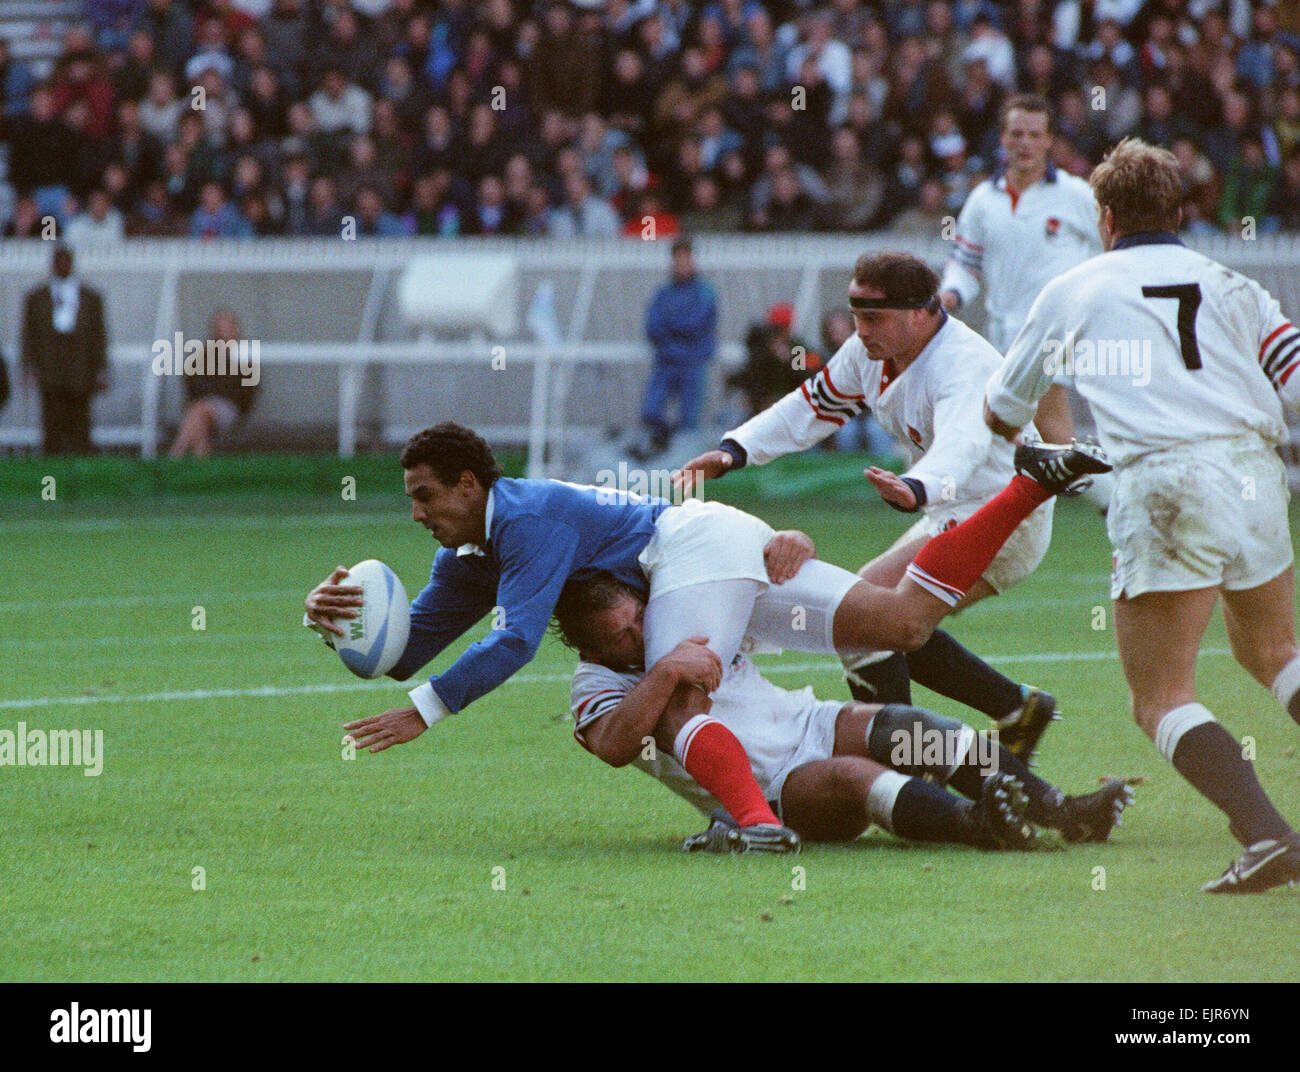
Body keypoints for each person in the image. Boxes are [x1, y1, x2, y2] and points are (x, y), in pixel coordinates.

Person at [305, 423, 1108, 851]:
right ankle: (1028, 484)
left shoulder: (525, 516)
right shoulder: (470, 551)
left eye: (422, 496)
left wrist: (427, 711)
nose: (415, 514)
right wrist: (338, 622)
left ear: (470, 484)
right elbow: (405, 647)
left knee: (679, 689)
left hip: (692, 554)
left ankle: (753, 827)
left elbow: (514, 645)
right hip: (721, 552)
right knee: (901, 622)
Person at [984, 137, 1300, 894]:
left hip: (1165, 480)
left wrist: (1053, 445)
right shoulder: (1230, 282)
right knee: (1277, 654)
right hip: (1257, 472)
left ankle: (1267, 837)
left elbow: (1001, 409)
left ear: (1105, 216)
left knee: (1159, 696)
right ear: (1181, 213)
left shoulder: (1076, 288)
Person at [676, 252, 1069, 761]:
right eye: (857, 317)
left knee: (867, 624)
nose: (859, 332)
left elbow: (964, 445)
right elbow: (814, 404)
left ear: (921, 312)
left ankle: (892, 764)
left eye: (873, 318)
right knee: (875, 620)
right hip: (950, 510)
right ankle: (1012, 711)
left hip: (1002, 519)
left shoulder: (965, 364)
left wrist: (918, 487)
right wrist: (736, 450)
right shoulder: (872, 351)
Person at [554, 565, 1134, 851]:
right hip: (773, 788)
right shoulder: (593, 684)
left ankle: (1063, 811)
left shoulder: (680, 612)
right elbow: (613, 745)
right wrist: (665, 669)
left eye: (639, 620)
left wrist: (786, 544)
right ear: (588, 647)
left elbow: (755, 569)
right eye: (620, 637)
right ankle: (974, 825)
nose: (638, 636)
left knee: (913, 728)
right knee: (853, 777)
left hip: (810, 721)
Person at [937, 94, 1113, 513]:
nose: (1025, 143)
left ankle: (1121, 512)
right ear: (1003, 138)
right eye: (1017, 134)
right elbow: (965, 264)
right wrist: (948, 296)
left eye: (1035, 134)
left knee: (1045, 428)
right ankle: (1109, 505)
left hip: (1056, 335)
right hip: (1002, 337)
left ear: (1050, 140)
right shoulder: (983, 200)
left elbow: (1114, 250)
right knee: (1021, 439)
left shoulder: (1075, 195)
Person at [20, 244, 108, 455]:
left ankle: (81, 469)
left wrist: (101, 369)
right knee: (52, 422)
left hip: (80, 369)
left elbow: (99, 335)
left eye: (66, 261)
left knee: (80, 421)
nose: (63, 266)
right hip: (49, 369)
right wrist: (28, 368)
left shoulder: (90, 297)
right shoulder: (36, 298)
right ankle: (53, 470)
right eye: (59, 262)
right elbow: (28, 336)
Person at [635, 235, 717, 456]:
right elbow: (653, 324)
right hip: (667, 360)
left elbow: (695, 324)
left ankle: (683, 465)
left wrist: (672, 326)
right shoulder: (665, 292)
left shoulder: (704, 292)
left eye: (686, 259)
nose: (682, 264)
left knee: (689, 419)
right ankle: (658, 450)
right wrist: (673, 336)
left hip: (692, 362)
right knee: (651, 410)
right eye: (678, 259)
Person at [169, 309, 260, 458]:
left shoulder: (244, 355)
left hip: (229, 408)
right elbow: (191, 381)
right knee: (198, 418)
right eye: (221, 327)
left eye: (229, 327)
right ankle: (202, 464)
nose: (225, 332)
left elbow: (247, 389)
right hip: (202, 406)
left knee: (197, 411)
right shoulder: (204, 354)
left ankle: (175, 457)